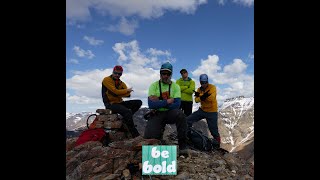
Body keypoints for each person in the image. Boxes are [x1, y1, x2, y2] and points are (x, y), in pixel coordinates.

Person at [143, 62, 189, 153]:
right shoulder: (154, 86)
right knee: (149, 137)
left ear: (171, 74)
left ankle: (183, 146)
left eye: (168, 74)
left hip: (170, 113)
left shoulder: (175, 86)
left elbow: (177, 104)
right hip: (157, 113)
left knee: (180, 115)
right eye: (163, 73)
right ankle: (159, 137)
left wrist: (159, 101)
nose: (165, 76)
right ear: (160, 74)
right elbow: (151, 105)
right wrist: (167, 101)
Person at [101, 65, 142, 138]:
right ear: (113, 72)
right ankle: (135, 134)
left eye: (119, 74)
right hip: (110, 104)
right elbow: (116, 91)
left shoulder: (121, 83)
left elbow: (128, 95)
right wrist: (124, 91)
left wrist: (121, 92)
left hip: (120, 102)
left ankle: (126, 119)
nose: (117, 75)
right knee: (127, 112)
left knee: (138, 102)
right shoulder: (107, 80)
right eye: (115, 73)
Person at [186, 74, 221, 147]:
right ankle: (187, 135)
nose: (204, 84)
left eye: (205, 82)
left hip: (212, 111)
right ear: (200, 82)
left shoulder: (212, 87)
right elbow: (196, 100)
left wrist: (201, 96)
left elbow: (212, 98)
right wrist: (204, 96)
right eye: (202, 82)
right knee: (188, 120)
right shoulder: (199, 89)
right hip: (202, 110)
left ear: (207, 81)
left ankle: (217, 145)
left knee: (214, 130)